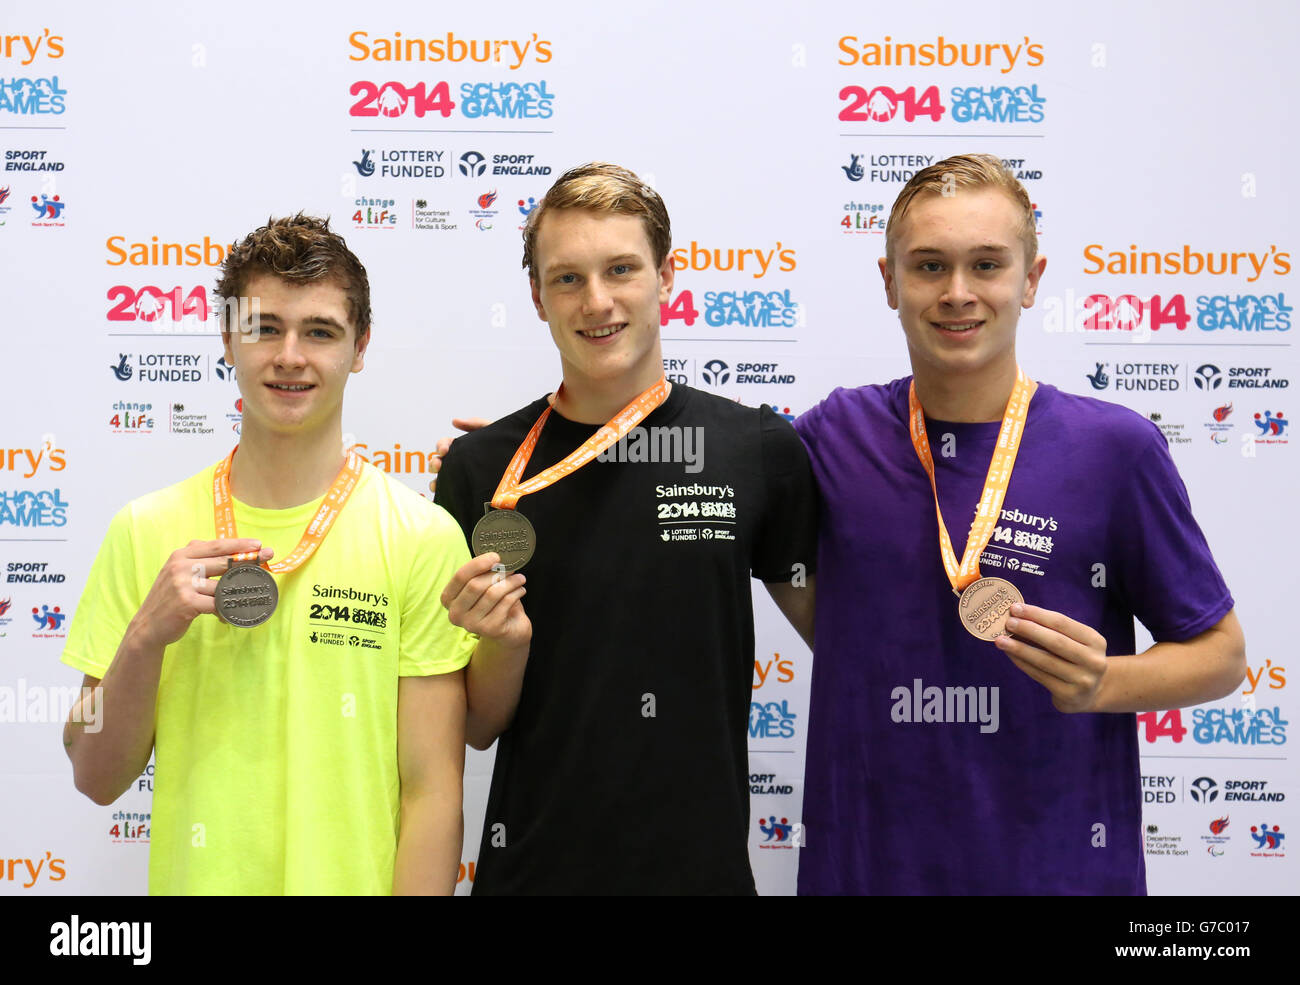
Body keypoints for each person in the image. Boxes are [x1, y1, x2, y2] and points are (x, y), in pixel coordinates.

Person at [792, 154, 1246, 894]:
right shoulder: (834, 437)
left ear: (1031, 280)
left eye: (987, 264)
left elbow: (1222, 656)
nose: (958, 292)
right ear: (889, 281)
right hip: (869, 871)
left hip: (1057, 870)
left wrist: (1103, 683)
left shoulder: (1113, 449)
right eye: (930, 265)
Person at [61, 214, 527, 895]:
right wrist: (145, 638)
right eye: (264, 328)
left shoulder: (419, 537)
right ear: (227, 337)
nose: (289, 356)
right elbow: (94, 776)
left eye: (319, 331)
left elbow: (432, 791)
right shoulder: (146, 529)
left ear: (359, 346)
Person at [434, 162, 819, 894]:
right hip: (532, 874)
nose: (598, 301)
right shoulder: (484, 469)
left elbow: (846, 643)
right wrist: (498, 642)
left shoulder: (755, 448)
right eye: (568, 278)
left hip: (700, 875)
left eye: (622, 269)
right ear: (537, 297)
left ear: (667, 276)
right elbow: (477, 722)